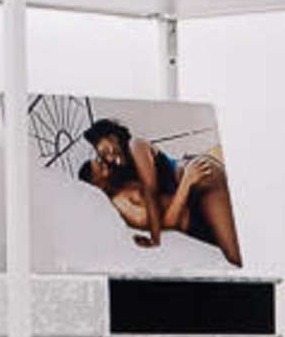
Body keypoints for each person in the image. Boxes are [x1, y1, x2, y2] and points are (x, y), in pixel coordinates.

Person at [73, 115, 241, 268]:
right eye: (103, 157)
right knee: (238, 244)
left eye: (106, 154)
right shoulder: (121, 186)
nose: (109, 160)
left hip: (202, 179)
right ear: (96, 186)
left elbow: (151, 192)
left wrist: (155, 238)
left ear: (114, 136)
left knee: (234, 255)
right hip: (192, 190)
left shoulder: (135, 145)